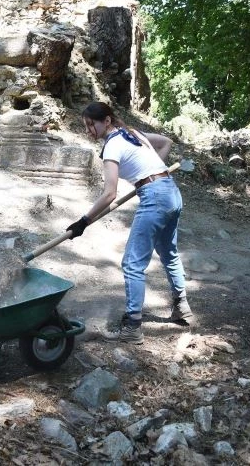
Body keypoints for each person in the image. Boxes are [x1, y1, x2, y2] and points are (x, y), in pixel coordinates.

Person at [66, 101, 194, 344]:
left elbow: (109, 193)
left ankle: (132, 327)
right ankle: (182, 308)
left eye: (90, 124)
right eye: (86, 126)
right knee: (169, 253)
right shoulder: (132, 133)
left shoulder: (112, 145)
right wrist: (152, 172)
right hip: (170, 192)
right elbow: (166, 142)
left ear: (107, 121)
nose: (88, 130)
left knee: (132, 263)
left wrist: (83, 221)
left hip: (155, 197)